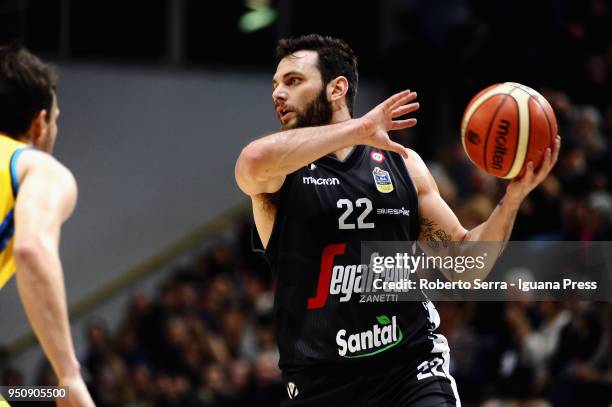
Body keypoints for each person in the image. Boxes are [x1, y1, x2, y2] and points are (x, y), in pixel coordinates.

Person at [235, 34, 560, 406]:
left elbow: (464, 265)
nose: (278, 93)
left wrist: (511, 200)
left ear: (337, 88)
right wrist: (359, 129)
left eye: (293, 81)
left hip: (408, 372)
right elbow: (251, 161)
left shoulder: (402, 164)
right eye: (276, 84)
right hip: (320, 386)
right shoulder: (280, 174)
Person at [0, 43, 95, 406]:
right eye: (56, 120)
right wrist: (68, 375)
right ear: (40, 124)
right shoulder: (36, 167)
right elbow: (31, 248)